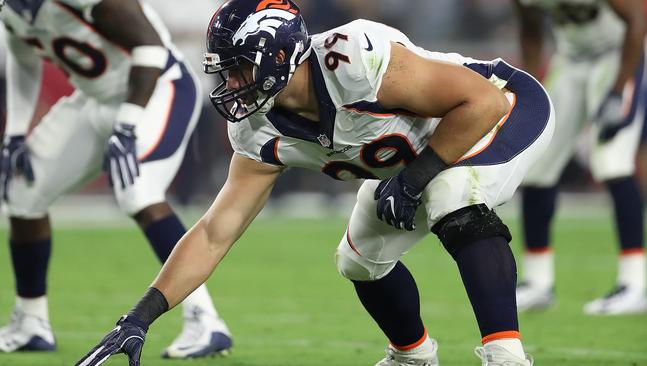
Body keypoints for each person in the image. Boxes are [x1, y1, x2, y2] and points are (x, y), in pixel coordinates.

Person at [75, 0, 555, 365]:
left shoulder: (353, 60)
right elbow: (213, 232)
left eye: (239, 66)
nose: (232, 82)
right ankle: (412, 354)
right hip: (413, 160)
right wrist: (139, 317)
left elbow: (480, 104)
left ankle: (505, 355)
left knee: (452, 195)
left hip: (503, 112)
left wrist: (415, 179)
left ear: (280, 54)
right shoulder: (257, 128)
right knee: (359, 259)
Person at [0, 0, 233, 358]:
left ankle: (205, 319)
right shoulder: (14, 9)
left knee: (138, 191)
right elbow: (21, 54)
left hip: (159, 87)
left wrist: (125, 125)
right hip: (97, 97)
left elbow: (151, 47)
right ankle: (30, 321)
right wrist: (15, 132)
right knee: (22, 192)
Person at [514, 0, 647, 314]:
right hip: (571, 59)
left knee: (613, 161)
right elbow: (530, 30)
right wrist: (529, 86)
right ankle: (537, 282)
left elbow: (636, 23)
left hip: (619, 53)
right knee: (537, 165)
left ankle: (634, 284)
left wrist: (617, 91)